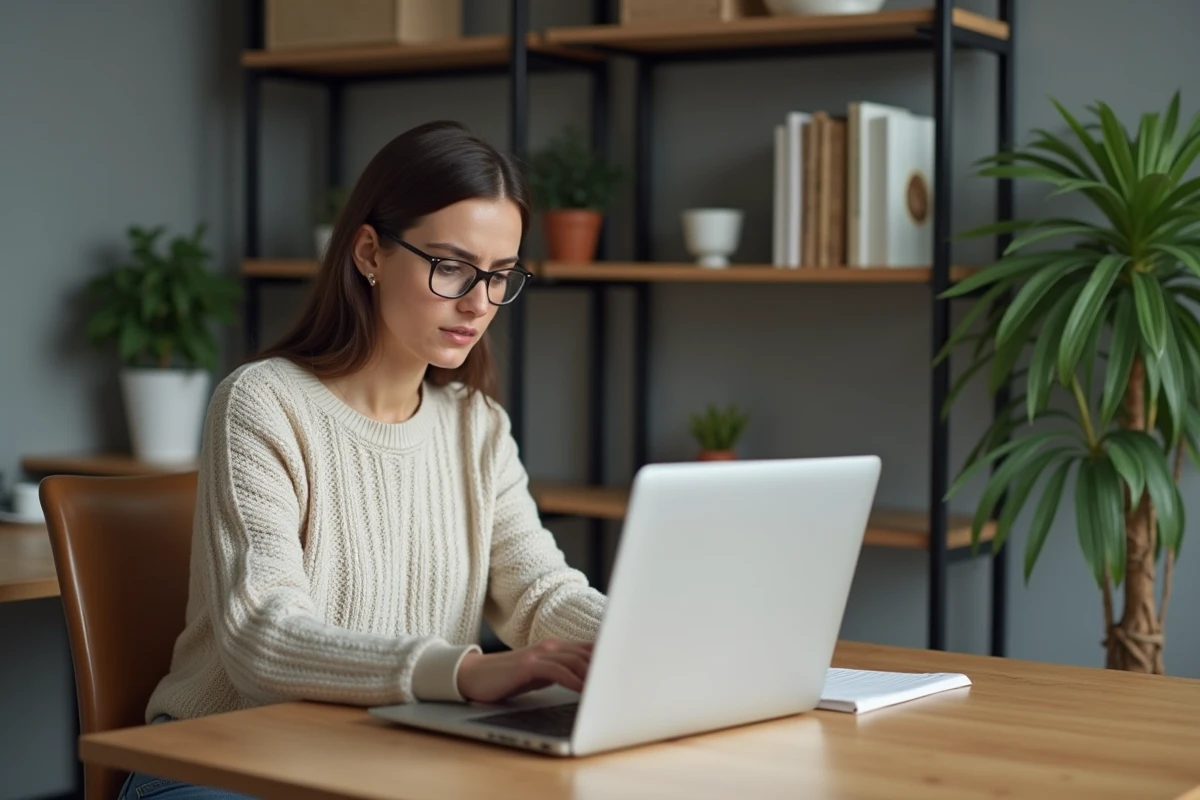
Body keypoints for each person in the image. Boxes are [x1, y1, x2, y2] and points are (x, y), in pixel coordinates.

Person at [119, 121, 606, 800]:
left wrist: (647, 640)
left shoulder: (476, 425)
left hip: (389, 758)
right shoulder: (262, 404)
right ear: (371, 252)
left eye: (499, 276)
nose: (478, 303)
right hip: (226, 764)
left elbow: (538, 593)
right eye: (452, 266)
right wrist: (463, 673)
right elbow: (264, 639)